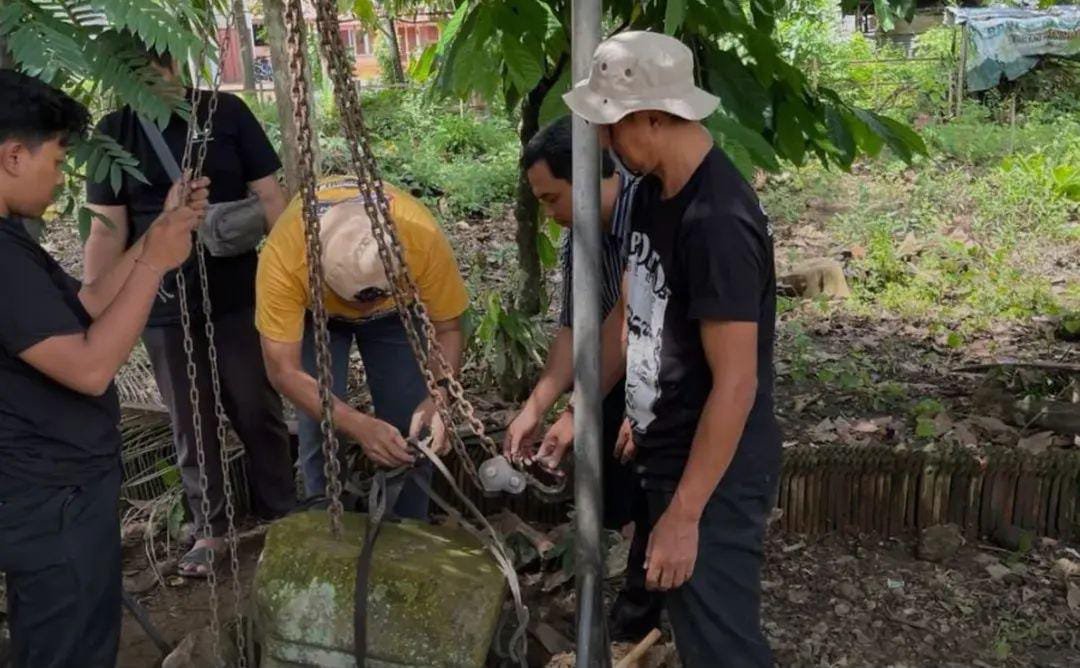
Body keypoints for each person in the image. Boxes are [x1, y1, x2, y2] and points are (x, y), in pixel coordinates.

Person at [564, 31, 782, 667]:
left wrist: (685, 515)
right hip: (673, 449)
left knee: (722, 645)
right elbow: (634, 314)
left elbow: (737, 384)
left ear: (657, 117)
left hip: (713, 472)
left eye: (614, 125)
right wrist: (585, 407)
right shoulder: (653, 193)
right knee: (699, 630)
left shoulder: (716, 221)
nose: (605, 141)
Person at [0, 70, 208, 667]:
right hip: (46, 493)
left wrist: (157, 237)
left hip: (55, 486)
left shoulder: (14, 244)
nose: (63, 177)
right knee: (69, 646)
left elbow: (84, 306)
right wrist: (153, 267)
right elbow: (90, 367)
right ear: (14, 155)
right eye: (58, 159)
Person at [84, 42, 296, 577]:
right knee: (190, 418)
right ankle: (212, 530)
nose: (160, 76)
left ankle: (283, 512)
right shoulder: (115, 134)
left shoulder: (226, 114)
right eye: (141, 69)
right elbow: (106, 231)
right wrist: (94, 297)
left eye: (165, 63)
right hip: (160, 301)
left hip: (236, 292)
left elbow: (273, 200)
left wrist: (294, 274)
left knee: (256, 404)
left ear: (179, 61)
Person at [502, 115, 661, 641]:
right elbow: (578, 328)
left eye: (552, 199)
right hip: (618, 373)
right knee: (618, 490)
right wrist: (537, 405)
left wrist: (577, 409)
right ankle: (632, 595)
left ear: (592, 179)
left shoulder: (652, 212)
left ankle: (645, 611)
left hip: (668, 375)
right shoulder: (580, 235)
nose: (550, 216)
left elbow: (630, 330)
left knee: (654, 492)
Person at [257, 177, 469, 519]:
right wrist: (356, 424)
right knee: (322, 430)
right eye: (356, 303)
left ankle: (409, 532)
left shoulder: (421, 237)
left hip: (397, 314)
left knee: (412, 428)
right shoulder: (286, 253)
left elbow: (448, 328)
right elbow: (283, 370)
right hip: (318, 315)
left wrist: (440, 395)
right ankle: (326, 525)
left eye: (372, 300)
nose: (363, 312)